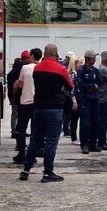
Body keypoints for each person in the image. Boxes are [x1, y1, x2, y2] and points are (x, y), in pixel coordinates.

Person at [19, 44, 71, 183]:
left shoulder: (37, 68)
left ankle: (26, 169)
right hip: (54, 109)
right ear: (56, 54)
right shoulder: (61, 69)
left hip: (38, 108)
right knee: (51, 142)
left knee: (35, 140)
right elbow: (69, 86)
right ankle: (47, 173)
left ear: (44, 54)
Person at [12, 47, 41, 164]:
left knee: (21, 129)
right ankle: (32, 155)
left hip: (25, 102)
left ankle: (21, 153)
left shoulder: (25, 68)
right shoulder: (41, 67)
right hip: (38, 103)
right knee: (35, 131)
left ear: (32, 56)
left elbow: (20, 84)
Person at [78, 50, 107, 153]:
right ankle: (84, 145)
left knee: (95, 122)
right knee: (85, 123)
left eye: (95, 58)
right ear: (87, 59)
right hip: (85, 100)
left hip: (95, 100)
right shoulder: (81, 70)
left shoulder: (95, 70)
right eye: (92, 58)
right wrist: (91, 86)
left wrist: (95, 87)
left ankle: (92, 144)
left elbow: (99, 83)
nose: (94, 60)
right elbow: (80, 84)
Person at [6, 53, 27, 144]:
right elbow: (15, 86)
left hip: (13, 96)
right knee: (18, 114)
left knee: (14, 114)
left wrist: (11, 97)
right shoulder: (19, 73)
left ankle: (14, 130)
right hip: (18, 96)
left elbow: (9, 86)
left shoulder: (11, 73)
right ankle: (16, 131)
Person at [68, 56, 83, 144]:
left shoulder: (79, 73)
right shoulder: (73, 74)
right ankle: (74, 137)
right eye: (80, 63)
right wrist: (74, 100)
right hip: (75, 98)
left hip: (80, 98)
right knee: (74, 118)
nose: (81, 65)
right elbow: (72, 88)